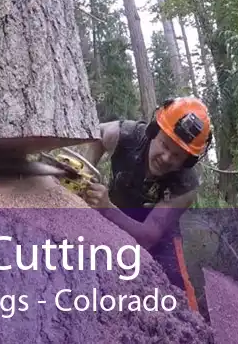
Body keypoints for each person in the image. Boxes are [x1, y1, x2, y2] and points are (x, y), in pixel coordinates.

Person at [80, 97, 213, 312]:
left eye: (177, 155)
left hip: (158, 233)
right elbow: (97, 135)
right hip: (115, 212)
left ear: (187, 161)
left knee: (178, 289)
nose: (166, 157)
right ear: (153, 132)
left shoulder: (185, 186)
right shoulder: (127, 134)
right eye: (164, 144)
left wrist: (106, 208)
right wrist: (85, 171)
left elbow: (148, 237)